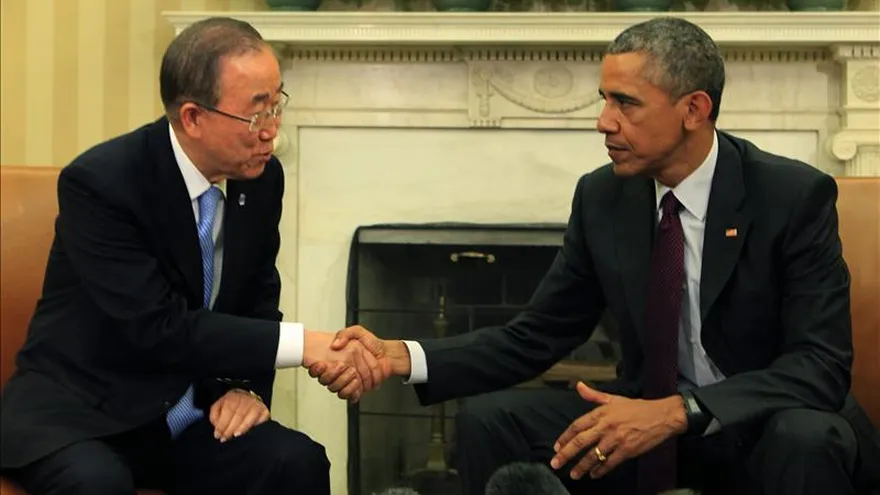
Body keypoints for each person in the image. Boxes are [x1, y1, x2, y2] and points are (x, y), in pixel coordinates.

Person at [313, 17, 880, 495]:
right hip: (646, 420)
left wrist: (676, 412)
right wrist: (401, 356)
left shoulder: (789, 196)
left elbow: (819, 367)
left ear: (694, 108)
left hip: (759, 422)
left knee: (808, 437)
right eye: (604, 99)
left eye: (626, 103)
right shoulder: (604, 196)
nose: (604, 121)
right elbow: (535, 336)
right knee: (493, 421)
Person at [0, 17, 387, 495]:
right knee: (98, 484)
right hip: (86, 414)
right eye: (255, 113)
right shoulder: (102, 184)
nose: (272, 132)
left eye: (277, 104)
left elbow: (257, 296)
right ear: (192, 118)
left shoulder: (261, 180)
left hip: (188, 412)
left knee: (295, 461)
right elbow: (157, 328)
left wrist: (244, 387)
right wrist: (307, 345)